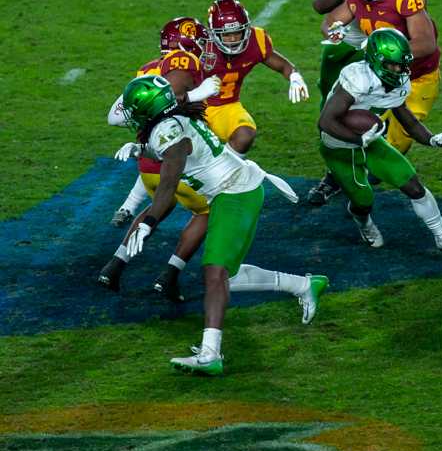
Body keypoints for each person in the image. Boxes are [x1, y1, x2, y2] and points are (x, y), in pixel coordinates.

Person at [116, 75, 328, 375]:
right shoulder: (172, 119)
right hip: (236, 190)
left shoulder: (168, 131)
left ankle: (210, 355)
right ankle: (304, 285)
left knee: (214, 273)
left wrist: (148, 222)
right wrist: (140, 150)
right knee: (226, 276)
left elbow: (167, 185)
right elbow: (172, 149)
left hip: (235, 193)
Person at [101, 17, 223, 302]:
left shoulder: (145, 71)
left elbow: (114, 116)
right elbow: (176, 96)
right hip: (175, 160)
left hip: (148, 164)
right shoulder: (185, 62)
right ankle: (169, 275)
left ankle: (115, 265)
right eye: (200, 41)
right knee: (207, 211)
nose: (204, 47)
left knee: (156, 209)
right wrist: (194, 94)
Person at [306, 0, 420, 206]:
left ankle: (367, 170)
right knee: (331, 112)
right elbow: (322, 5)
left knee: (388, 111)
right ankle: (337, 173)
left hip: (385, 45)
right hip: (348, 42)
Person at [317, 28, 442, 255]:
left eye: (402, 64)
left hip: (371, 141)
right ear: (376, 60)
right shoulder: (357, 78)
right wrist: (358, 139)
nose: (399, 70)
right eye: (393, 65)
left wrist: (433, 140)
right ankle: (364, 223)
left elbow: (409, 121)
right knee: (363, 200)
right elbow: (325, 121)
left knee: (413, 185)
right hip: (338, 147)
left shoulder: (398, 82)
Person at [322, 0, 441, 157]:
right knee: (356, 124)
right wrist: (335, 31)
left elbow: (425, 43)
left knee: (398, 139)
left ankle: (380, 175)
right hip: (379, 77)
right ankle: (341, 173)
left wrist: (385, 55)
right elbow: (330, 21)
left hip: (416, 75)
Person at [201, 0, 309, 154]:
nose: (232, 39)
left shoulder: (256, 42)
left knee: (244, 135)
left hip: (226, 105)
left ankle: (224, 170)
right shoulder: (200, 45)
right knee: (190, 147)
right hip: (193, 104)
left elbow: (283, 65)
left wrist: (295, 77)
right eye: (226, 34)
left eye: (237, 33)